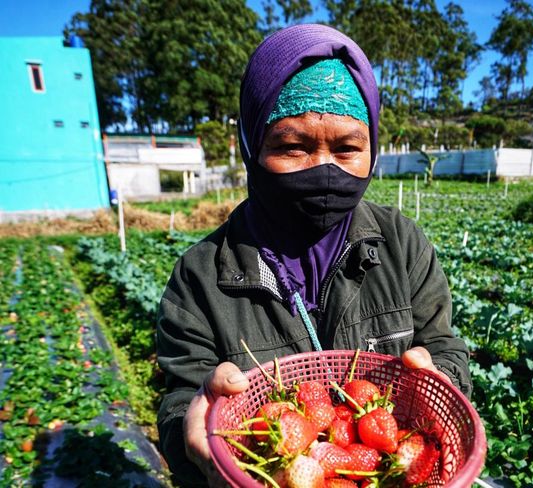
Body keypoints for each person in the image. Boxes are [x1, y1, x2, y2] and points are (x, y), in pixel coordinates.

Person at [156, 24, 471, 487]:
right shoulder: (199, 276)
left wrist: (437, 377)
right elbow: (183, 399)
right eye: (292, 145)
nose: (323, 169)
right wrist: (193, 431)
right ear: (250, 144)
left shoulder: (401, 244)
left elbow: (444, 347)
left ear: (373, 150)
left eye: (347, 148)